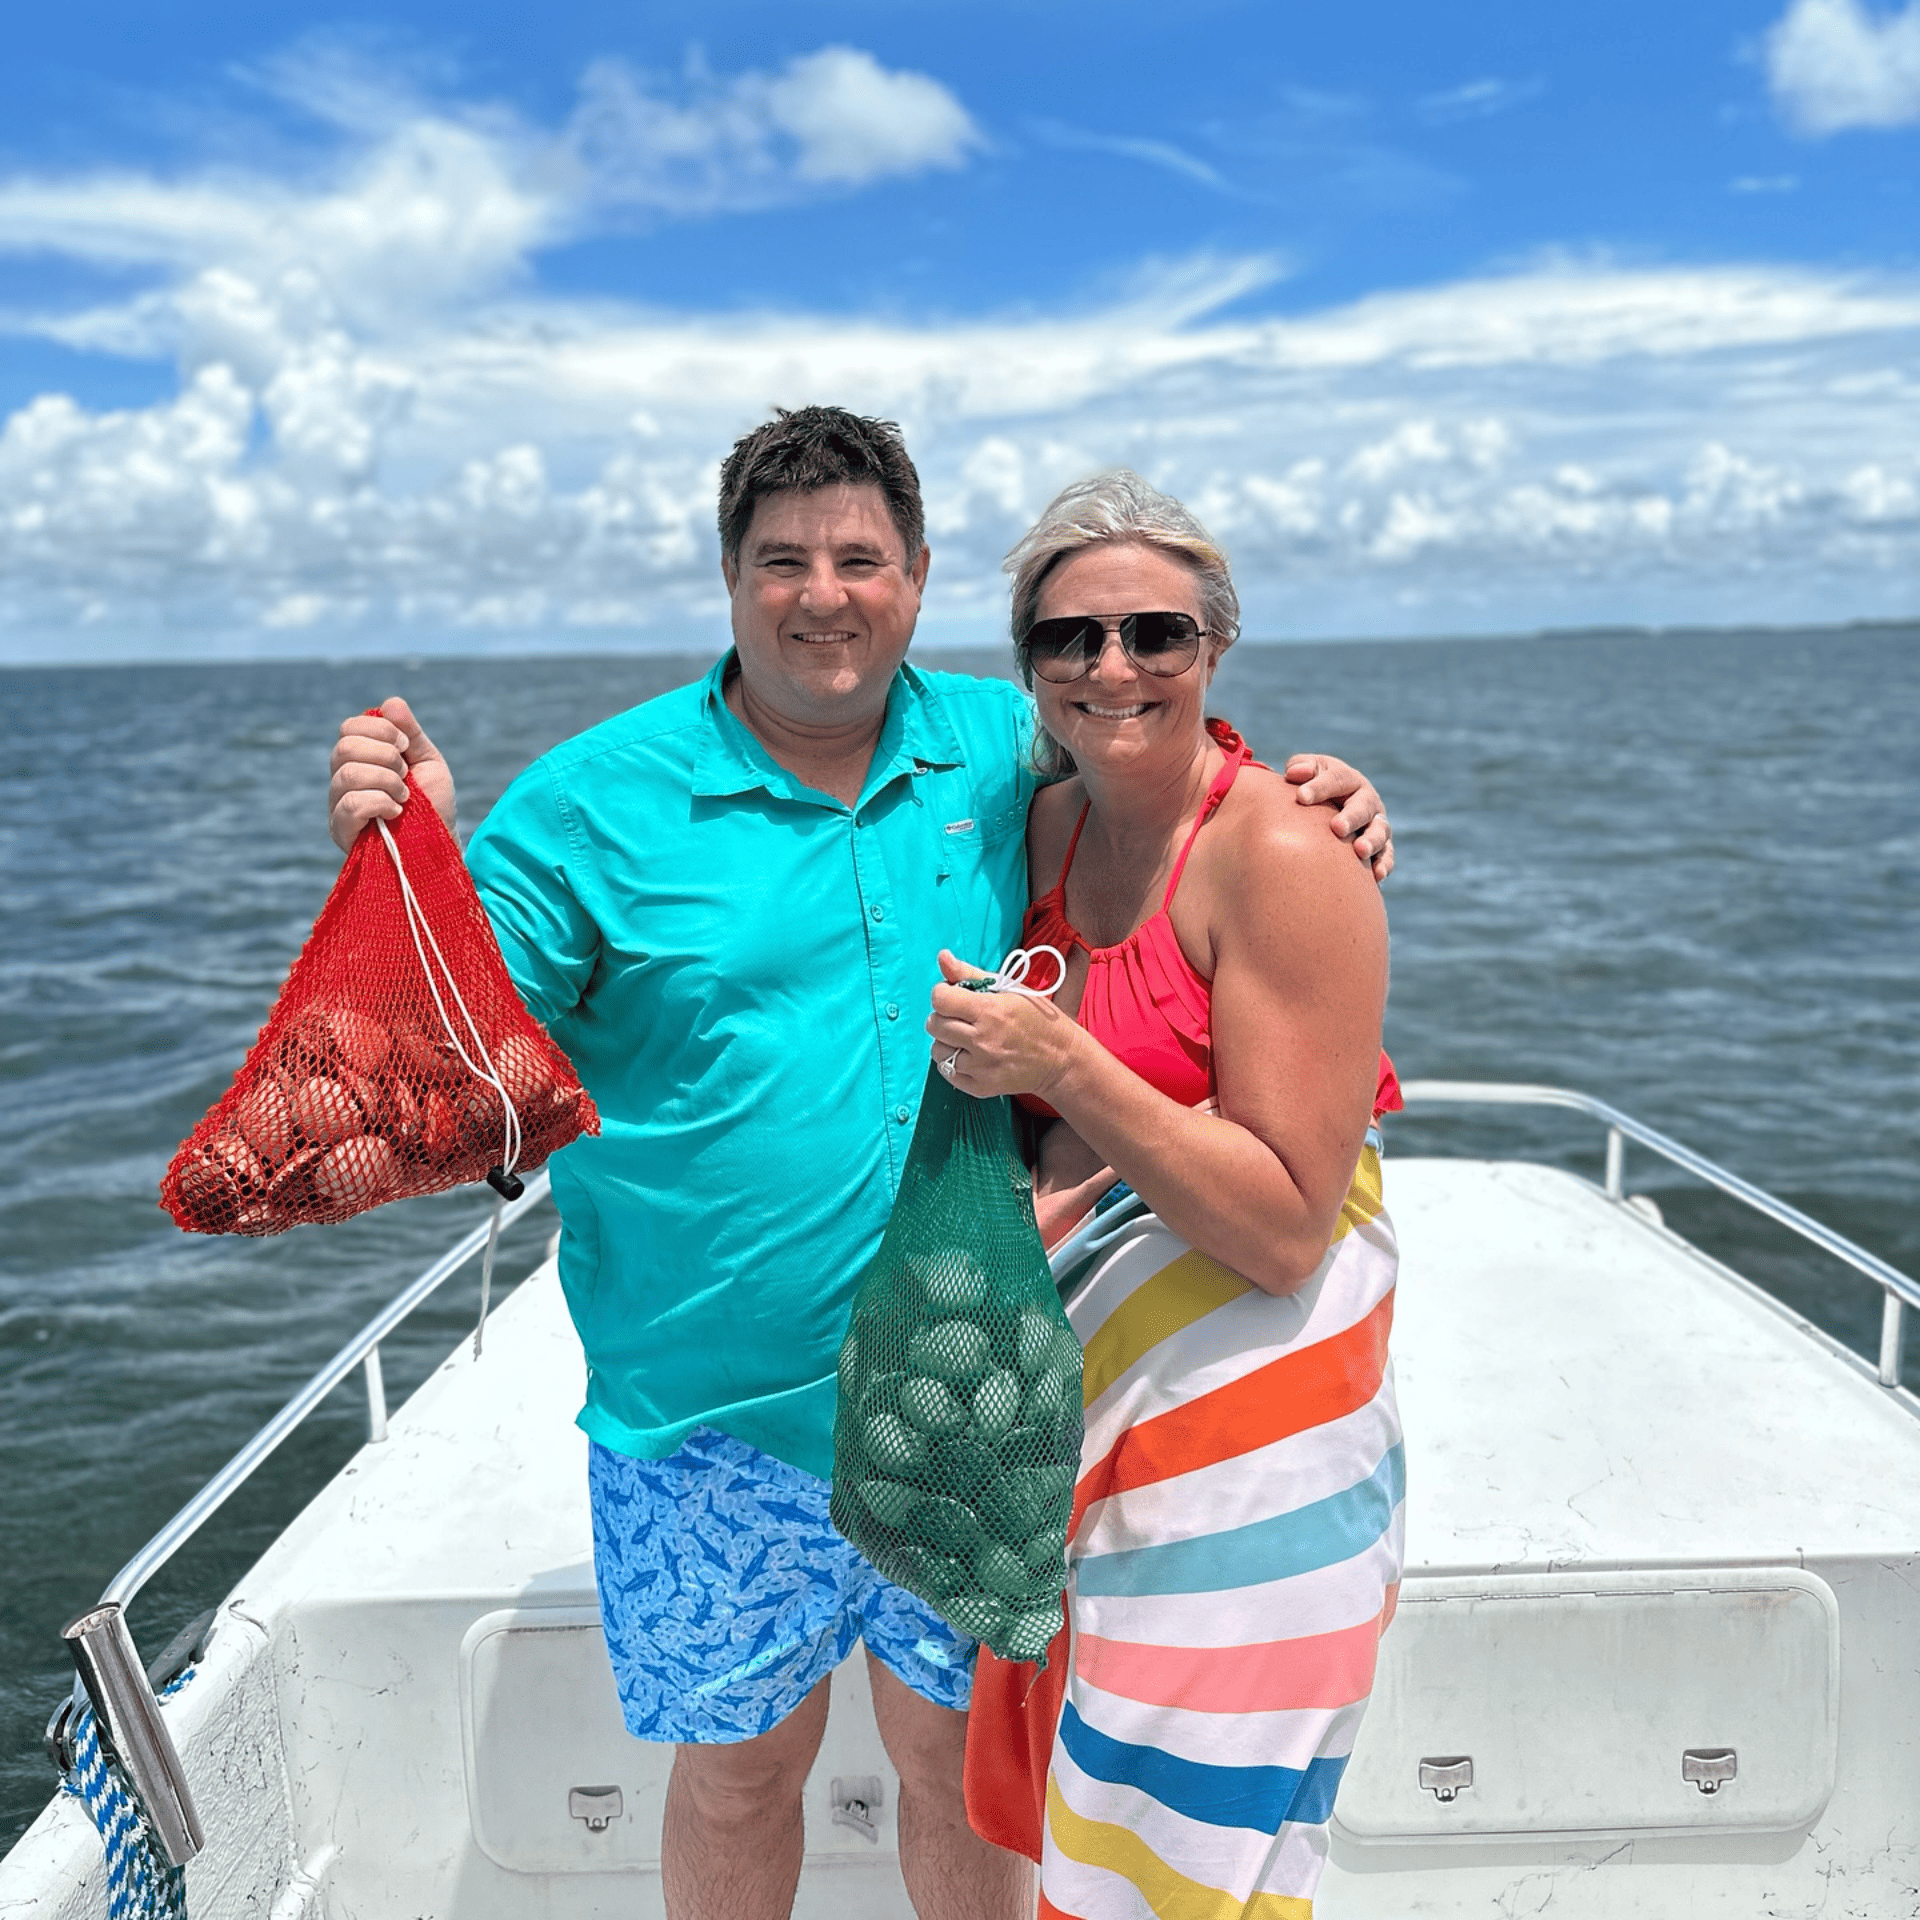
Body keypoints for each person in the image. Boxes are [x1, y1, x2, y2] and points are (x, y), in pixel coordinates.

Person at [325, 409, 1393, 1920]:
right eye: (783, 561)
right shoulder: (584, 806)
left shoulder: (998, 743)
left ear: (918, 576)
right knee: (742, 1769)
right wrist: (410, 863)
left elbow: (1154, 765)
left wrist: (1318, 798)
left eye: (859, 559)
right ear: (727, 577)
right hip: (703, 1416)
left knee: (960, 1758)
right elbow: (445, 1085)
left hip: (965, 1382)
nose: (823, 594)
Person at [925, 470, 1403, 1918]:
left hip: (1249, 1455)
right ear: (1027, 668)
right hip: (1074, 1442)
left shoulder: (1280, 849)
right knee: (1096, 1845)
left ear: (1217, 648)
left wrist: (1061, 1062)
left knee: (1195, 1865)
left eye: (1156, 634)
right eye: (1069, 639)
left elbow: (1279, 1227)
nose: (1112, 667)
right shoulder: (1042, 832)